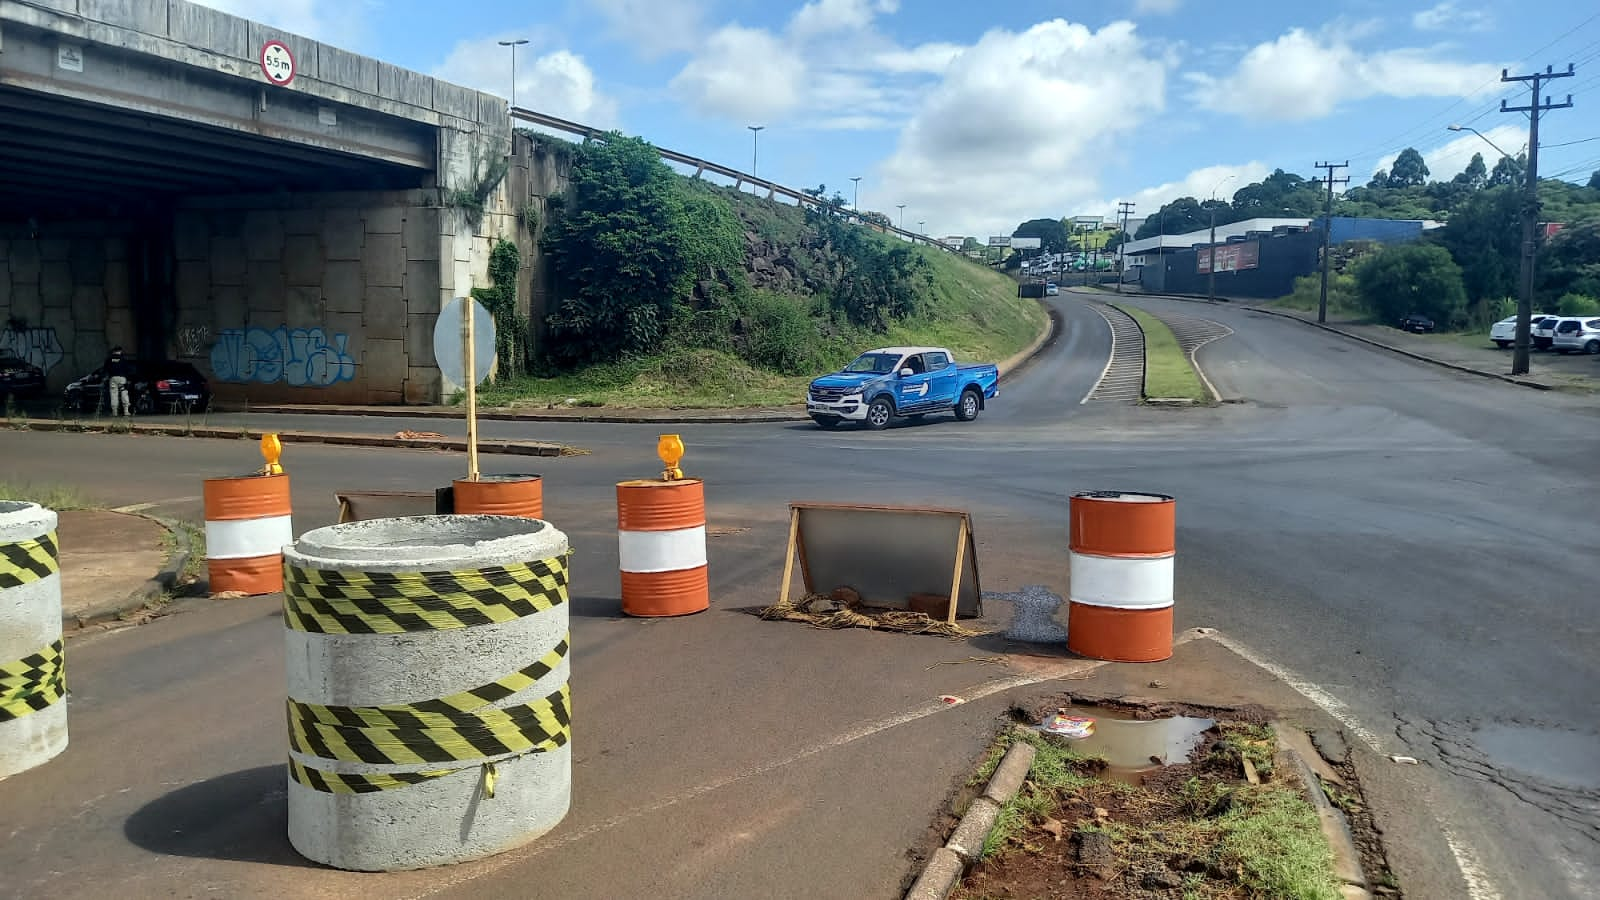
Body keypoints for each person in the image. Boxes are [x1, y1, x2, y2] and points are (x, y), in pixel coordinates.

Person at [104, 347, 135, 417]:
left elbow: (105, 369)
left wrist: (105, 377)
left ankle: (114, 412)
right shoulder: (123, 359)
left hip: (113, 378)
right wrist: (129, 379)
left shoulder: (109, 359)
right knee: (124, 393)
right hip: (122, 378)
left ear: (113, 351)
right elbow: (128, 370)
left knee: (113, 394)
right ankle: (126, 411)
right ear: (120, 351)